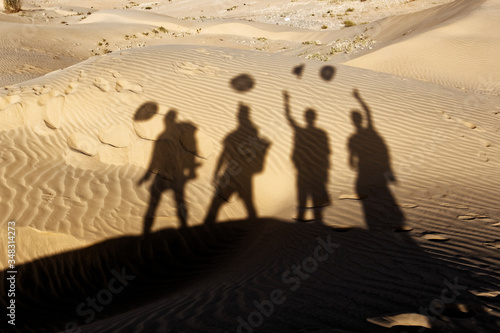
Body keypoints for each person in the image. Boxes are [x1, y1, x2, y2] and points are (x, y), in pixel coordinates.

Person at [348, 89, 404, 231]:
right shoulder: (358, 136)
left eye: (355, 119)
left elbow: (368, 113)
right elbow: (351, 156)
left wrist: (359, 98)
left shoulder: (360, 135)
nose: (355, 121)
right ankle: (380, 223)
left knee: (373, 194)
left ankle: (381, 223)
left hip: (370, 169)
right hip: (367, 169)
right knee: (372, 194)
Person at [204, 103, 270, 224]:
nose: (239, 117)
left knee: (217, 205)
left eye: (240, 115)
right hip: (240, 174)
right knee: (247, 205)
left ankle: (202, 233)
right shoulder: (251, 134)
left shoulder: (235, 135)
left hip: (233, 173)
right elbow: (225, 154)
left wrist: (216, 172)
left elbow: (224, 155)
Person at [283, 91, 331, 222]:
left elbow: (289, 118)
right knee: (309, 195)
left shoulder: (304, 131)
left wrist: (286, 101)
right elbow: (326, 153)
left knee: (304, 194)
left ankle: (305, 220)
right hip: (310, 169)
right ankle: (315, 221)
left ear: (307, 118)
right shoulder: (320, 133)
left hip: (307, 169)